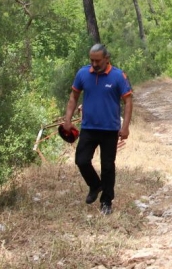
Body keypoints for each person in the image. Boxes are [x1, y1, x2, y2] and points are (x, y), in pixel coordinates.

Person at [63, 44, 133, 215]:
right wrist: (67, 120)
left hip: (110, 130)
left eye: (98, 61)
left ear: (107, 59)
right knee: (81, 160)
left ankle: (106, 202)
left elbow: (128, 101)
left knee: (107, 166)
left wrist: (125, 127)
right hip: (88, 127)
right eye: (92, 60)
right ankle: (95, 185)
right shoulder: (83, 74)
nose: (94, 64)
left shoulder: (118, 76)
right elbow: (73, 97)